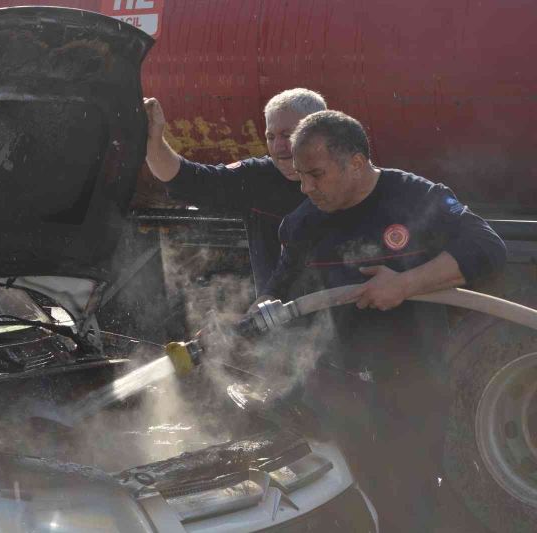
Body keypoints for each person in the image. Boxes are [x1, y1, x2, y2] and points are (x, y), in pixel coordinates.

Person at [262, 110, 506, 532]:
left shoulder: (415, 199)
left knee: (412, 503)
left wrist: (406, 283)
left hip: (411, 383)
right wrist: (260, 309)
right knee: (347, 503)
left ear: (356, 163)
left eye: (316, 174)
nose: (306, 188)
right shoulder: (303, 223)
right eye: (300, 176)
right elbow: (278, 291)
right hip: (337, 390)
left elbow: (488, 247)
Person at [143, 89, 326, 299]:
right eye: (270, 136)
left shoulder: (357, 181)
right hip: (280, 324)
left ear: (320, 132)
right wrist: (152, 141)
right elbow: (189, 181)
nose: (278, 147)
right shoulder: (258, 178)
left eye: (287, 135)